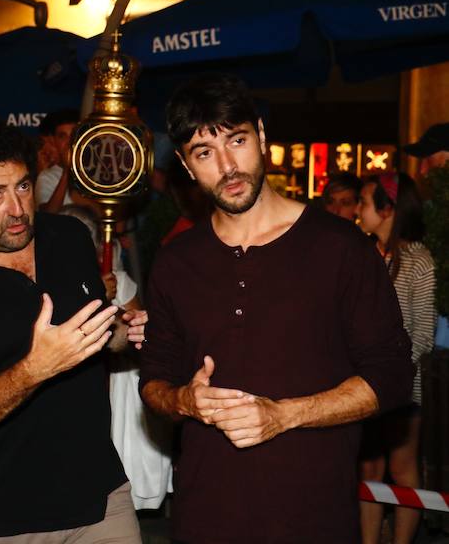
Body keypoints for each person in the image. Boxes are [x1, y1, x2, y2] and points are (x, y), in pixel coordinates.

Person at [139, 73, 413, 544]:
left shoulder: (341, 249)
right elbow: (153, 382)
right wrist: (184, 400)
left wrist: (284, 415)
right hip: (204, 517)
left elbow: (391, 377)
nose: (227, 165)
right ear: (186, 167)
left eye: (237, 140)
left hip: (313, 517)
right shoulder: (175, 262)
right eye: (204, 153)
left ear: (262, 138)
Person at [0, 118, 148, 542]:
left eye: (21, 187)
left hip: (100, 498)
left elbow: (96, 336)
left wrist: (130, 330)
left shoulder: (70, 236)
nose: (17, 209)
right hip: (2, 517)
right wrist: (36, 368)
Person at [58, 205, 173, 512]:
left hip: (115, 376)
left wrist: (110, 302)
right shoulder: (47, 280)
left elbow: (132, 332)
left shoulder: (118, 280)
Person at [356, 172, 436, 544]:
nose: (358, 210)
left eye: (364, 203)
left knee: (403, 470)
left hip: (404, 388)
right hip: (364, 386)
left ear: (387, 209)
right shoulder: (367, 255)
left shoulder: (420, 261)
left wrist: (390, 369)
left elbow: (423, 334)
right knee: (370, 468)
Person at [35, 108, 79, 212]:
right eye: (62, 137)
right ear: (54, 141)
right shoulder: (47, 177)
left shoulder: (97, 172)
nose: (69, 142)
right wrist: (67, 172)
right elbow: (48, 216)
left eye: (74, 135)